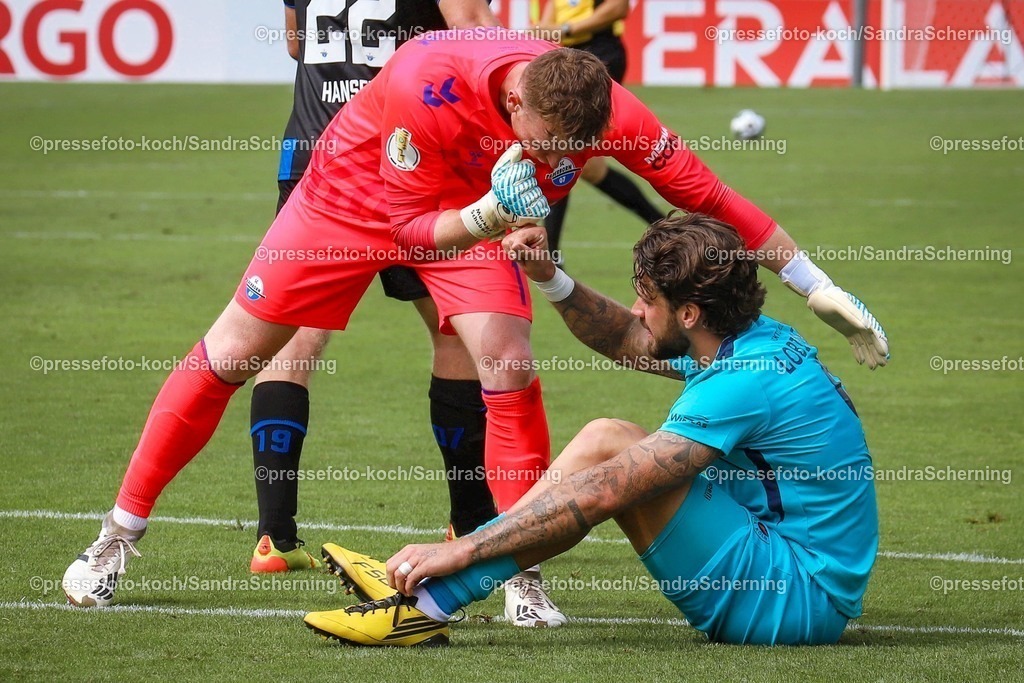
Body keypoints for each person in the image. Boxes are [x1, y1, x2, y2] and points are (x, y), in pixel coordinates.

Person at [62, 33, 886, 621]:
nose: (560, 165)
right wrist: (493, 208)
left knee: (508, 358)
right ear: (516, 100)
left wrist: (814, 283)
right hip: (360, 194)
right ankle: (115, 537)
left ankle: (521, 572)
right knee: (235, 350)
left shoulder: (600, 107)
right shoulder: (424, 81)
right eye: (547, 148)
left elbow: (707, 192)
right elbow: (412, 232)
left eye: (576, 154)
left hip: (476, 208)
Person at [302, 213, 879, 647]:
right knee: (611, 442)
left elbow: (605, 490)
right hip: (787, 561)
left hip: (791, 598)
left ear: (688, 314)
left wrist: (463, 549)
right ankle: (430, 592)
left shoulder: (743, 381)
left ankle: (427, 602)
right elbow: (628, 339)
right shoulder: (747, 337)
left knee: (611, 447)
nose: (635, 308)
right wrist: (549, 277)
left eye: (647, 299)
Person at [248, 0, 501, 579]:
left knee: (291, 341)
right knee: (455, 332)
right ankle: (468, 522)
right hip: (409, 152)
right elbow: (474, 35)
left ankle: (274, 537)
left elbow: (296, 44)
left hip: (315, 154)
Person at [532, 0, 663, 262]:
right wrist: (545, 32)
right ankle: (661, 225)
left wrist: (567, 28)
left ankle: (552, 255)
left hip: (599, 59)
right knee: (591, 169)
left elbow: (618, 8)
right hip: (567, 61)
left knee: (562, 151)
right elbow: (547, 23)